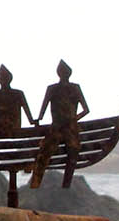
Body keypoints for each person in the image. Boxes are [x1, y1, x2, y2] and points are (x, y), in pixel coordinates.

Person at [30, 59, 90, 189]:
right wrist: (74, 119)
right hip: (69, 129)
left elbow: (42, 111)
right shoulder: (75, 88)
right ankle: (66, 184)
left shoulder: (52, 89)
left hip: (56, 128)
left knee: (43, 154)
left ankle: (35, 183)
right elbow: (86, 110)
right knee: (72, 153)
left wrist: (37, 121)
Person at [0, 64, 35, 190]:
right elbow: (30, 118)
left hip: (0, 134)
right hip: (17, 133)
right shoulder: (18, 94)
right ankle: (28, 166)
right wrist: (36, 122)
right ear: (10, 78)